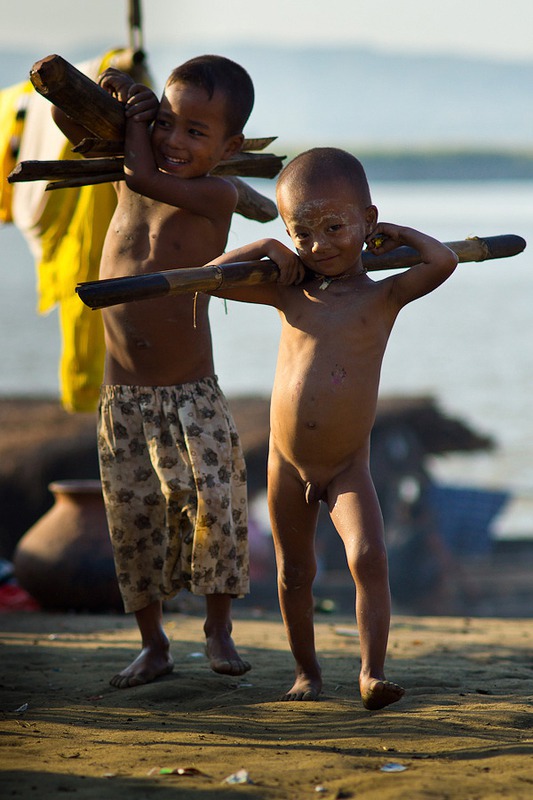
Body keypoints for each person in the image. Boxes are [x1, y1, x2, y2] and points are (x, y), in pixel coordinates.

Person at [51, 55, 289, 689]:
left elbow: (145, 173)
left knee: (214, 506)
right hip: (121, 396)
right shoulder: (125, 167)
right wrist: (118, 89)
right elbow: (64, 116)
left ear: (230, 147)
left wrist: (138, 125)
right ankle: (154, 645)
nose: (173, 141)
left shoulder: (215, 193)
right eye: (166, 123)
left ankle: (217, 628)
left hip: (190, 396)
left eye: (195, 132)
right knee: (134, 522)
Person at [205, 147, 458, 709]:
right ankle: (306, 672)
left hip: (347, 466)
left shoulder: (384, 296)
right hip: (285, 464)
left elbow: (442, 262)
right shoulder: (287, 292)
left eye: (335, 226)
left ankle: (371, 673)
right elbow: (213, 280)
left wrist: (397, 234)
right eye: (302, 232)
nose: (319, 245)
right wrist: (266, 247)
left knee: (368, 556)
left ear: (366, 220)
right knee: (296, 572)